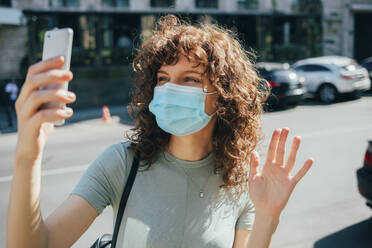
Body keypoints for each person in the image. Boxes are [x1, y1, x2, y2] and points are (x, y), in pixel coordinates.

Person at [7, 15, 314, 248]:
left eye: (190, 79)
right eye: (163, 78)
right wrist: (27, 156)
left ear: (223, 96)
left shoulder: (244, 179)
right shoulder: (122, 163)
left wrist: (268, 217)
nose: (169, 89)